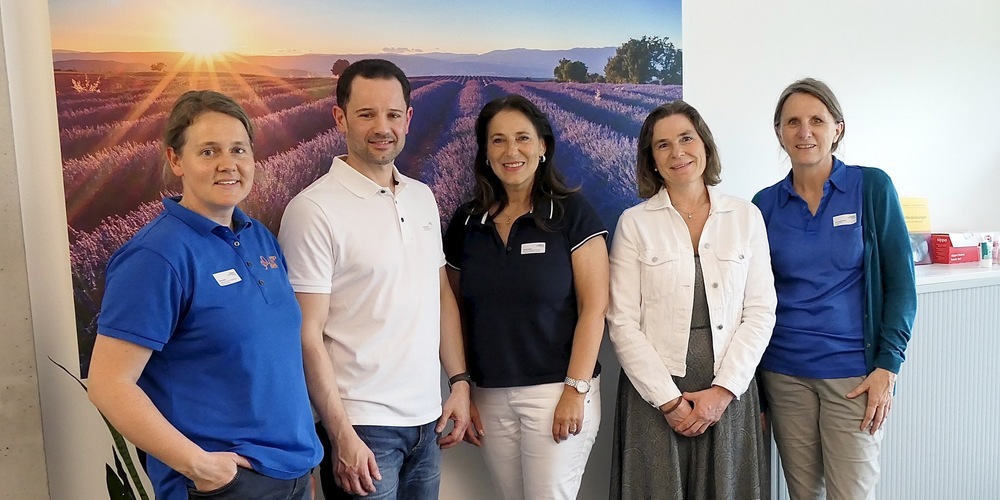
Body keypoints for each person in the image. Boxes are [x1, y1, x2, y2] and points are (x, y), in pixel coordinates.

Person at [87, 90, 322, 500]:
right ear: (176, 160)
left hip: (291, 473)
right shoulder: (156, 256)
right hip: (226, 486)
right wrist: (205, 469)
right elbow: (109, 384)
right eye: (208, 151)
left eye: (238, 150)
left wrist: (302, 461)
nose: (228, 164)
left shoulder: (259, 237)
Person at [277, 59, 470, 500]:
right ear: (340, 118)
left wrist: (458, 383)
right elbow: (305, 335)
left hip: (426, 420)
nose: (382, 127)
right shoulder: (313, 210)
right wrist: (340, 433)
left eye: (393, 114)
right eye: (366, 114)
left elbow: (438, 293)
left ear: (408, 118)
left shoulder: (421, 197)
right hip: (362, 428)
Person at [752, 78, 916, 500]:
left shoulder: (871, 188)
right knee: (804, 495)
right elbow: (753, 300)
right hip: (784, 375)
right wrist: (758, 394)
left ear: (837, 128)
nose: (804, 132)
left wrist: (887, 367)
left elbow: (901, 285)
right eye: (792, 122)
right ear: (779, 133)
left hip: (854, 377)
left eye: (816, 121)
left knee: (852, 495)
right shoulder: (763, 205)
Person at [607, 100, 777, 499]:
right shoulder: (634, 224)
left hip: (729, 390)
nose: (677, 152)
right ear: (650, 159)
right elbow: (622, 322)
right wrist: (668, 401)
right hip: (654, 397)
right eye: (662, 145)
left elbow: (760, 311)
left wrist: (722, 393)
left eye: (686, 138)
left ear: (705, 145)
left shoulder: (745, 216)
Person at [443, 94, 608, 499]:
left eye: (522, 138)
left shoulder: (572, 213)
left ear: (543, 147)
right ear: (484, 152)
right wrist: (463, 386)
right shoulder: (466, 222)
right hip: (490, 394)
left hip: (556, 392)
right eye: (498, 141)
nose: (511, 151)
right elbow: (456, 310)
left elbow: (594, 308)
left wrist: (576, 389)